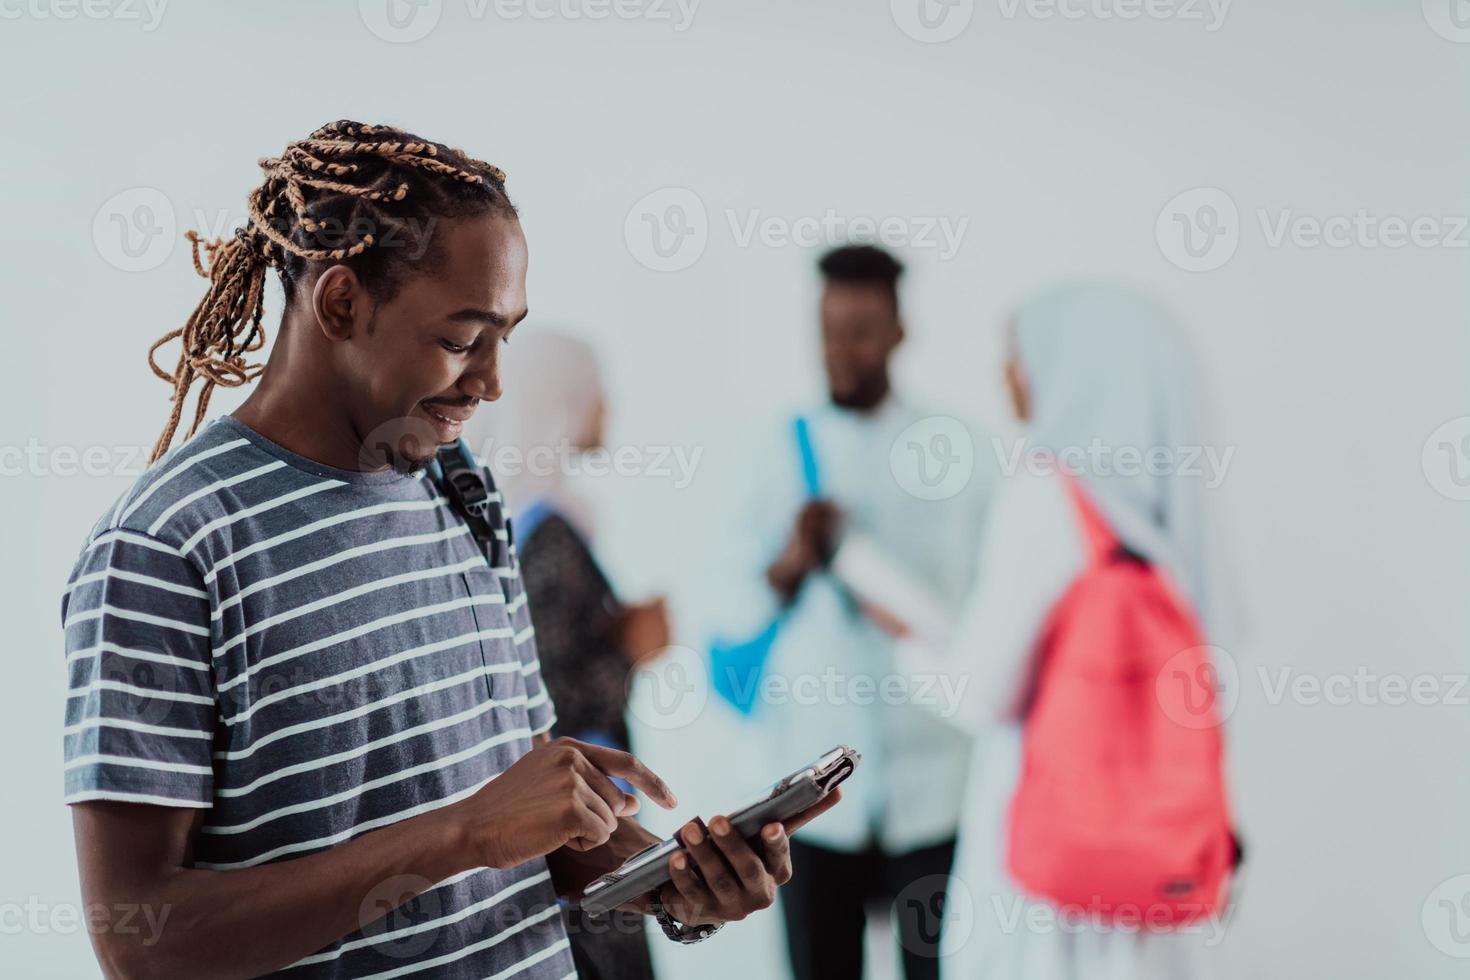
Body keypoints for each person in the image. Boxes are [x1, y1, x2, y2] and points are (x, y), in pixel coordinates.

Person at [60, 120, 838, 980]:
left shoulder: (457, 484)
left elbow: (518, 797)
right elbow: (140, 940)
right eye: (463, 340)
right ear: (342, 302)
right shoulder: (166, 548)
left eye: (508, 335)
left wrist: (664, 881)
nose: (494, 382)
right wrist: (462, 832)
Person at [884, 283, 1243, 979]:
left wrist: (908, 644)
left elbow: (979, 693)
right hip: (1157, 879)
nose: (1006, 375)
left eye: (1019, 355)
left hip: (1053, 890)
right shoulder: (1172, 511)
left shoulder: (1049, 497)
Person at [724, 245, 995, 980]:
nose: (842, 350)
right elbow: (729, 611)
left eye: (862, 329)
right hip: (814, 792)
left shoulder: (958, 453)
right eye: (829, 328)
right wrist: (792, 561)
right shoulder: (776, 453)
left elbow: (983, 609)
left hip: (933, 784)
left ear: (900, 331)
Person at [462, 330, 671, 980]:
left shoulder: (514, 517)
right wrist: (634, 650)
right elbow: (553, 694)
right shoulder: (549, 531)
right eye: (593, 389)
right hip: (577, 826)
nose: (606, 406)